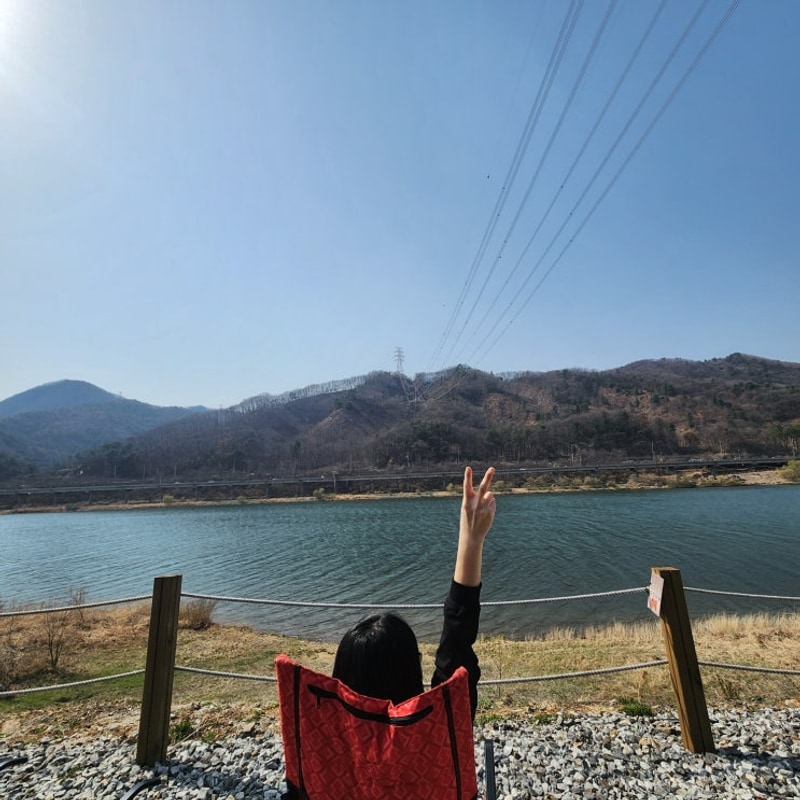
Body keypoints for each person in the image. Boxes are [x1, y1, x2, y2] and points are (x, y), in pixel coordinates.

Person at [332, 465, 496, 719]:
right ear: (412, 669)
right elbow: (456, 646)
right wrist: (471, 540)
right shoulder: (438, 727)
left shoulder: (327, 739)